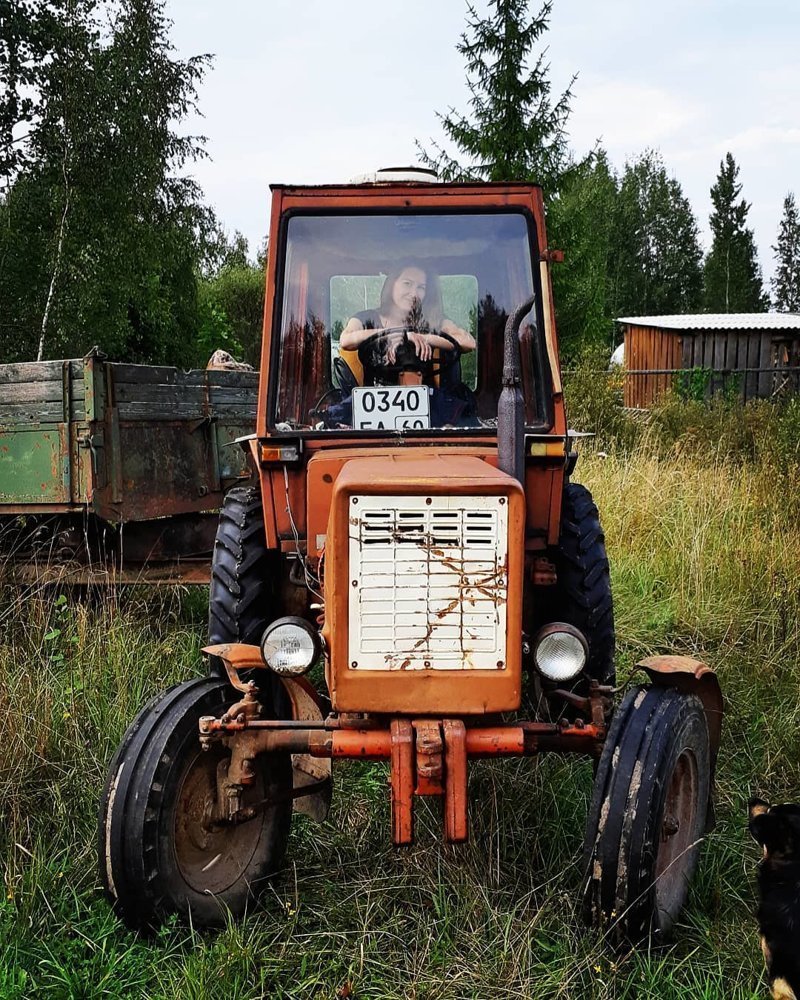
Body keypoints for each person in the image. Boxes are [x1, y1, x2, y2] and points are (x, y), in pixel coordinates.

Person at [339, 264, 476, 375]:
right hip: (370, 404)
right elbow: (346, 340)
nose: (414, 294)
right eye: (407, 283)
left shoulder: (431, 319)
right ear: (392, 284)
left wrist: (423, 338)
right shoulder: (366, 318)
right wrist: (389, 334)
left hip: (431, 404)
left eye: (421, 287)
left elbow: (468, 343)